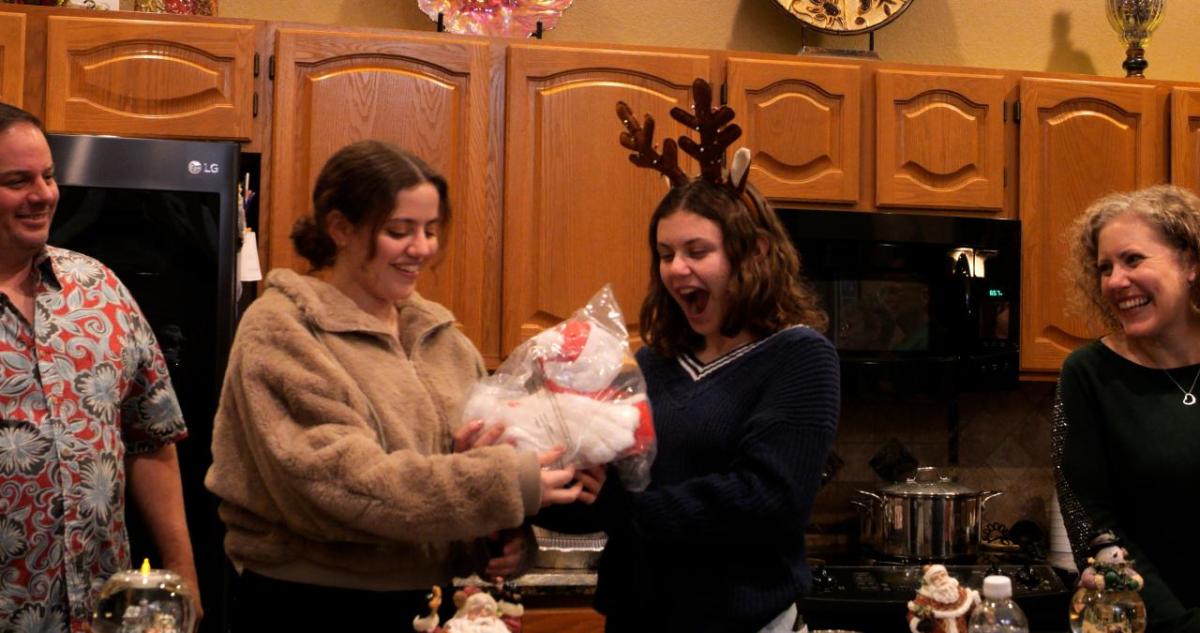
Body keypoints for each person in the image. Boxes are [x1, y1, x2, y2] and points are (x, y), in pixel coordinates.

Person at [204, 140, 581, 631]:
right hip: (312, 605)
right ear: (340, 228)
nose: (421, 248)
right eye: (398, 231)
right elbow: (341, 482)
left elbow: (454, 480)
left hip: (429, 603)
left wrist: (497, 538)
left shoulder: (442, 340)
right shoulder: (282, 329)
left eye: (430, 230)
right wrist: (505, 484)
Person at [543, 81, 840, 631]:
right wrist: (530, 483)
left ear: (752, 253)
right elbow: (598, 494)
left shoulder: (799, 358)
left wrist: (624, 507)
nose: (676, 268)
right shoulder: (651, 364)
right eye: (665, 254)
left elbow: (764, 499)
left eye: (697, 251)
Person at [0, 102, 199, 630]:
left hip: (98, 613)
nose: (42, 194)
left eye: (47, 175)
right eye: (17, 180)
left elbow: (151, 437)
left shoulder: (100, 289)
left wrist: (183, 573)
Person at [1054, 184, 1200, 633]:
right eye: (1104, 268)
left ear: (1191, 262)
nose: (1115, 281)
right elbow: (1091, 522)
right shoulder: (1088, 374)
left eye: (1133, 259)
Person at [906, 564, 980, 633]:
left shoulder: (960, 592)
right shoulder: (925, 598)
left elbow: (972, 611)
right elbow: (913, 614)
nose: (941, 579)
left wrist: (975, 603)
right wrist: (919, 623)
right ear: (931, 583)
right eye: (936, 578)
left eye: (943, 575)